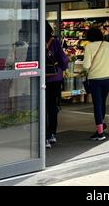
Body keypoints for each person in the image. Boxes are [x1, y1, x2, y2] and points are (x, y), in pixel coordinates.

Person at [45, 21, 69, 149]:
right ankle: (52, 134)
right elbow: (63, 60)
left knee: (43, 107)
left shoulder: (35, 42)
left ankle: (44, 136)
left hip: (41, 79)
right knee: (53, 106)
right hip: (55, 78)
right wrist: (64, 67)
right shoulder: (54, 42)